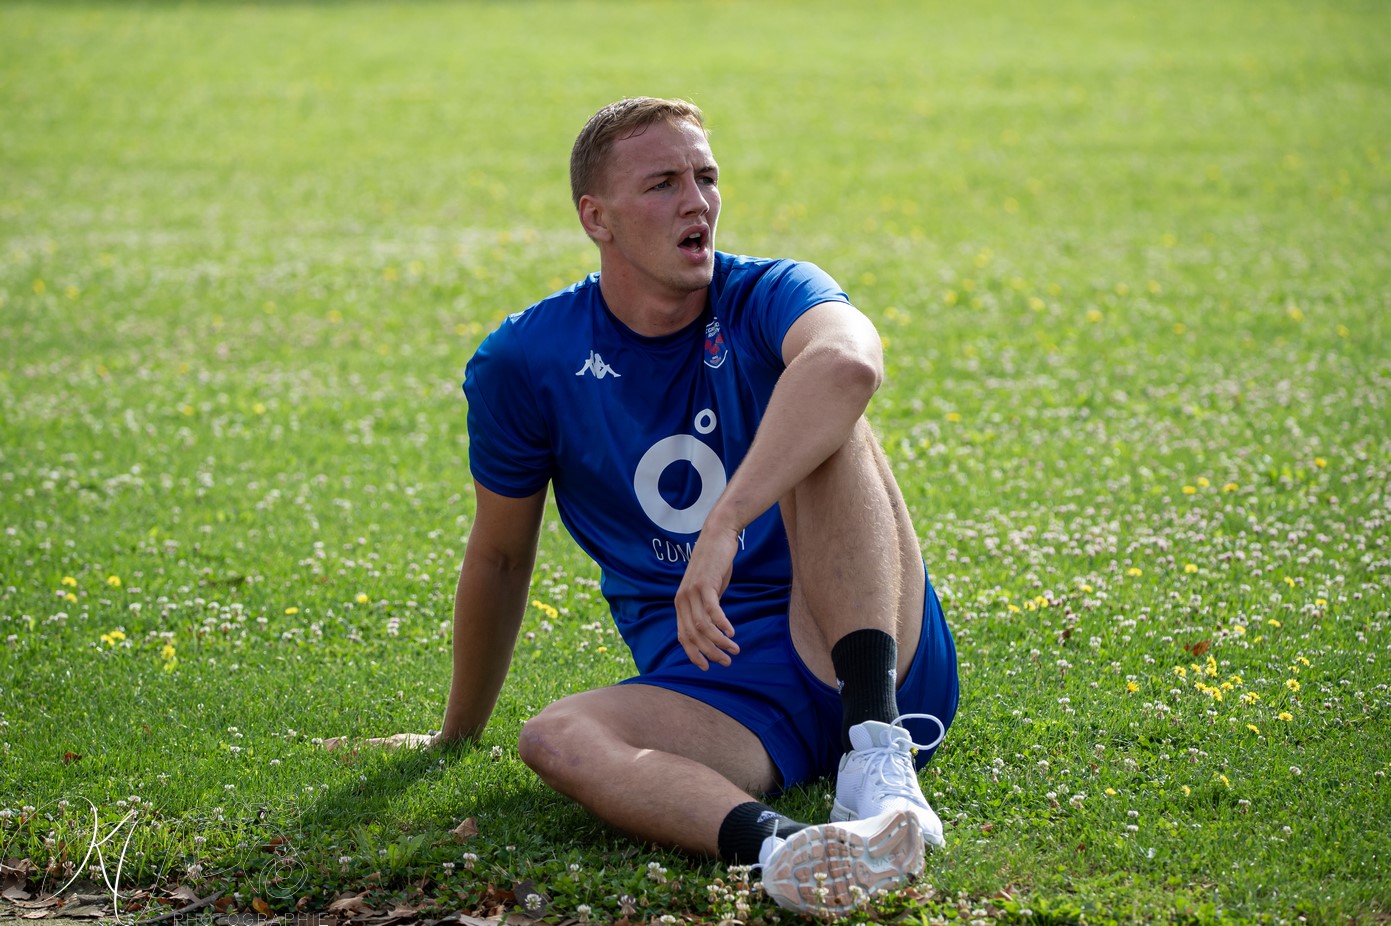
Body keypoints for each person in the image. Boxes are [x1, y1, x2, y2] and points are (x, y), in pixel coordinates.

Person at [354, 97, 959, 916]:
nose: (696, 201)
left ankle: (877, 753)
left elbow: (850, 365)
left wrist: (726, 521)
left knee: (823, 410)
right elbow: (499, 557)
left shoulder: (769, 292)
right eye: (664, 182)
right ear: (595, 218)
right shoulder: (525, 361)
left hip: (860, 643)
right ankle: (790, 851)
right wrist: (455, 734)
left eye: (706, 177)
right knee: (555, 738)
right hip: (721, 689)